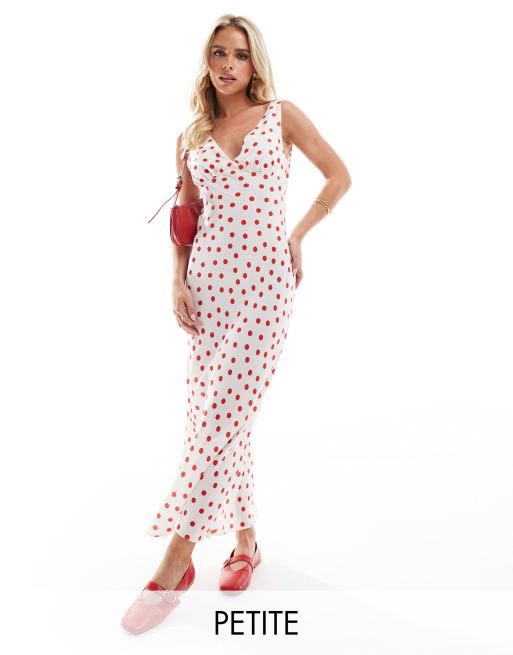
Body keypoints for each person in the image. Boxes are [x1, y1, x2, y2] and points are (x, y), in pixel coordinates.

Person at [121, 13, 351, 635]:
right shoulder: (191, 136)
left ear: (255, 63)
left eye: (240, 55)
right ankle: (246, 542)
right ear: (208, 60)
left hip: (266, 287)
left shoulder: (281, 116)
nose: (228, 64)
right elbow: (185, 220)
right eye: (219, 53)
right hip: (208, 292)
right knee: (221, 419)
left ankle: (175, 562)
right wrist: (176, 280)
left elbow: (340, 175)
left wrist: (298, 235)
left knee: (221, 417)